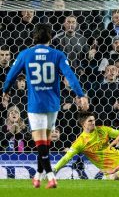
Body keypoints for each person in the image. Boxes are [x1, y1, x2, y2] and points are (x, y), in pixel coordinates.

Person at [1, 23, 89, 189]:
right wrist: (80, 95)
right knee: (45, 143)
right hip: (53, 104)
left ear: (34, 37)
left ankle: (51, 177)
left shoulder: (25, 54)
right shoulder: (57, 55)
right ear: (50, 37)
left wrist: (5, 91)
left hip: (35, 105)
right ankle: (37, 176)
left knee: (40, 144)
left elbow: (11, 76)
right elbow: (70, 75)